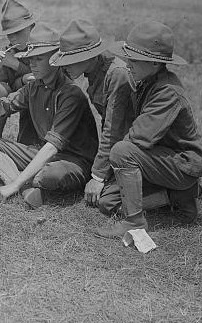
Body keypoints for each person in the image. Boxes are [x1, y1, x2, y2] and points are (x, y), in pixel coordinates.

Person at [94, 21, 202, 239]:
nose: (128, 64)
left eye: (134, 60)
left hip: (181, 163)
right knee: (108, 202)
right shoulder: (147, 81)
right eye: (128, 58)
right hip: (160, 159)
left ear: (156, 64)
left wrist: (115, 160)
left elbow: (138, 138)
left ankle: (134, 222)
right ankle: (178, 196)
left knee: (121, 152)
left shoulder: (167, 91)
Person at [0, 24, 99, 209]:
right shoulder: (33, 86)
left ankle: (11, 175)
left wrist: (14, 185)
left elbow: (52, 147)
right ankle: (24, 184)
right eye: (30, 59)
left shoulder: (70, 93)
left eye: (39, 58)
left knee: (49, 175)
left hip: (73, 160)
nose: (32, 64)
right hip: (44, 153)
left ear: (55, 59)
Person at [48, 19, 137, 215]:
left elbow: (112, 130)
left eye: (69, 60)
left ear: (88, 57)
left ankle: (172, 194)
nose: (64, 67)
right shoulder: (94, 74)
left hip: (138, 150)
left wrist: (98, 176)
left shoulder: (117, 75)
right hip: (121, 150)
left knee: (105, 201)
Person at [0, 0, 37, 141]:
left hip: (47, 98)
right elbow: (6, 86)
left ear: (32, 26)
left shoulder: (44, 46)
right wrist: (21, 79)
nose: (14, 38)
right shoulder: (7, 52)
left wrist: (17, 66)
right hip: (20, 96)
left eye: (19, 32)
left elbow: (46, 77)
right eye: (10, 33)